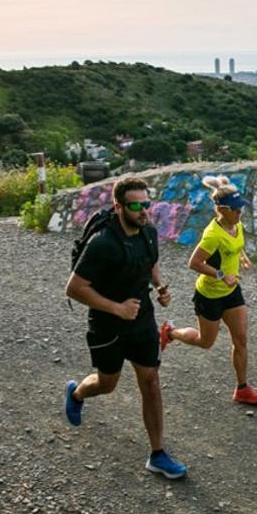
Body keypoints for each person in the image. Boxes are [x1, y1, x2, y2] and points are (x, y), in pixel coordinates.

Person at [64, 177, 186, 479]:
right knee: (107, 384)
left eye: (147, 204)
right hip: (107, 325)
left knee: (151, 381)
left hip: (142, 321)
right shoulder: (102, 243)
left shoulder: (148, 232)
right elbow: (74, 288)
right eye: (136, 206)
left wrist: (160, 286)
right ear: (118, 207)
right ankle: (77, 394)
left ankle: (158, 454)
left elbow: (151, 262)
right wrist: (117, 308)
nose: (144, 211)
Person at [159, 176, 257, 405]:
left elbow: (235, 244)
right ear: (222, 210)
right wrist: (221, 275)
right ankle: (170, 332)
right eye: (235, 209)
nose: (240, 213)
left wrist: (242, 257)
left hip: (231, 292)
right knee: (205, 341)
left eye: (240, 208)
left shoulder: (235, 224)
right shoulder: (212, 235)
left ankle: (242, 389)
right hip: (209, 295)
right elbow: (194, 263)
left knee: (241, 339)